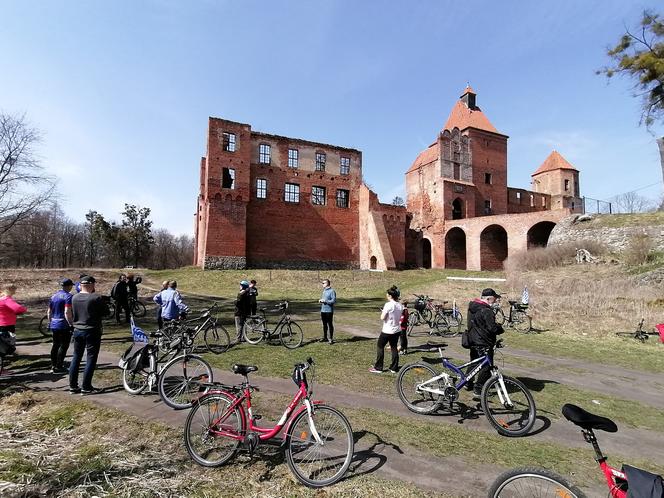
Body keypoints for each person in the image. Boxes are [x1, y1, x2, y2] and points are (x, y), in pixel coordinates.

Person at [69, 275, 105, 395]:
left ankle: (73, 386)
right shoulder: (96, 298)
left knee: (76, 357)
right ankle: (86, 386)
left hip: (77, 329)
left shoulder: (74, 297)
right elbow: (106, 312)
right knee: (91, 358)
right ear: (92, 285)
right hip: (92, 330)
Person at [466, 288, 504, 398]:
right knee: (486, 367)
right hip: (484, 342)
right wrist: (500, 328)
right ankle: (478, 389)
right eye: (494, 299)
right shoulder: (487, 310)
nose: (496, 301)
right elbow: (492, 328)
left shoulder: (472, 307)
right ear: (488, 298)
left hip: (472, 340)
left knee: (473, 363)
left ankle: (467, 383)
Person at [369, 286, 403, 374]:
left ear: (390, 296)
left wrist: (383, 312)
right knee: (394, 347)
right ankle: (394, 367)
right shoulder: (400, 305)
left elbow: (382, 317)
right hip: (396, 329)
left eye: (387, 294)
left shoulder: (388, 305)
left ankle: (378, 367)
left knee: (380, 346)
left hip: (388, 330)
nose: (386, 295)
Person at [47, 278, 74, 373]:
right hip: (63, 324)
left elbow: (49, 312)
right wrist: (71, 324)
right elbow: (67, 311)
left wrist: (49, 322)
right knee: (64, 345)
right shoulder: (68, 296)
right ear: (69, 286)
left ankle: (53, 365)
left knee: (55, 345)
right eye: (71, 286)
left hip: (54, 323)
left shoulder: (54, 296)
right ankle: (59, 365)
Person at [0, 284, 27, 374]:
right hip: (6, 326)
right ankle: (1, 370)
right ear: (10, 290)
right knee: (4, 348)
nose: (15, 292)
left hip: (2, 325)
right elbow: (18, 308)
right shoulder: (7, 299)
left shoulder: (1, 298)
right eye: (14, 290)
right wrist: (24, 309)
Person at [319, 279, 337, 344]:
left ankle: (331, 338)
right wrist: (321, 300)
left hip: (329, 311)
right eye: (322, 283)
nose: (322, 284)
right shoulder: (324, 291)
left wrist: (325, 301)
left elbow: (333, 301)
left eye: (323, 283)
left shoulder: (332, 291)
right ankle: (325, 337)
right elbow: (325, 300)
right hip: (323, 310)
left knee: (330, 324)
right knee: (324, 325)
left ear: (327, 283)